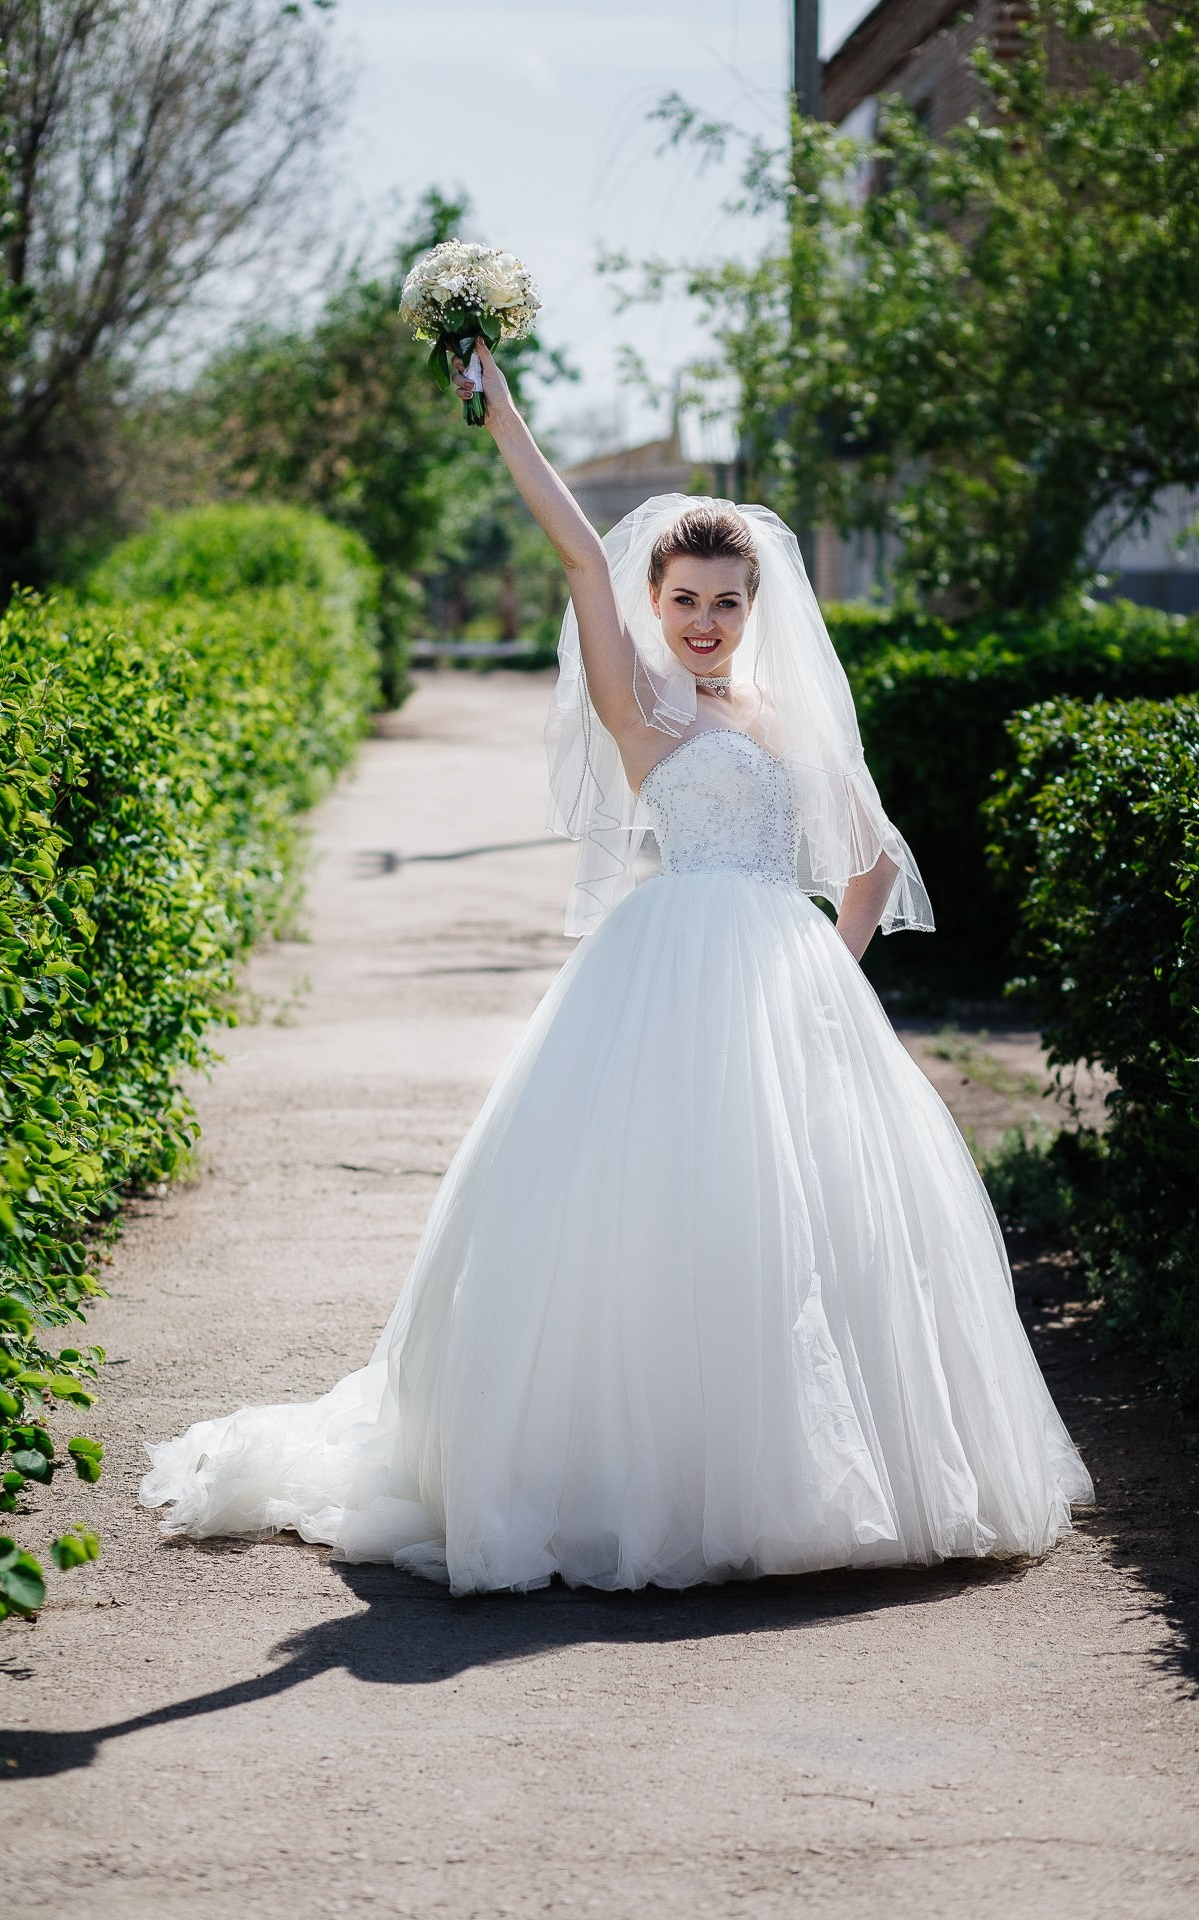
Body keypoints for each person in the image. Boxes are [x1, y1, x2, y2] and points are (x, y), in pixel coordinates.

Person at [140, 341, 1094, 1594]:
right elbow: (578, 550)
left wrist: (832, 968)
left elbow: (870, 857)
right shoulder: (639, 704)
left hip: (786, 983)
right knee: (653, 1216)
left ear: (753, 609)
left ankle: (815, 1475)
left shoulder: (788, 718)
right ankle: (649, 1482)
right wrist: (499, 409)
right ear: (656, 603)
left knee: (804, 1228)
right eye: (684, 600)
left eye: (725, 603)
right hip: (661, 980)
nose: (703, 623)